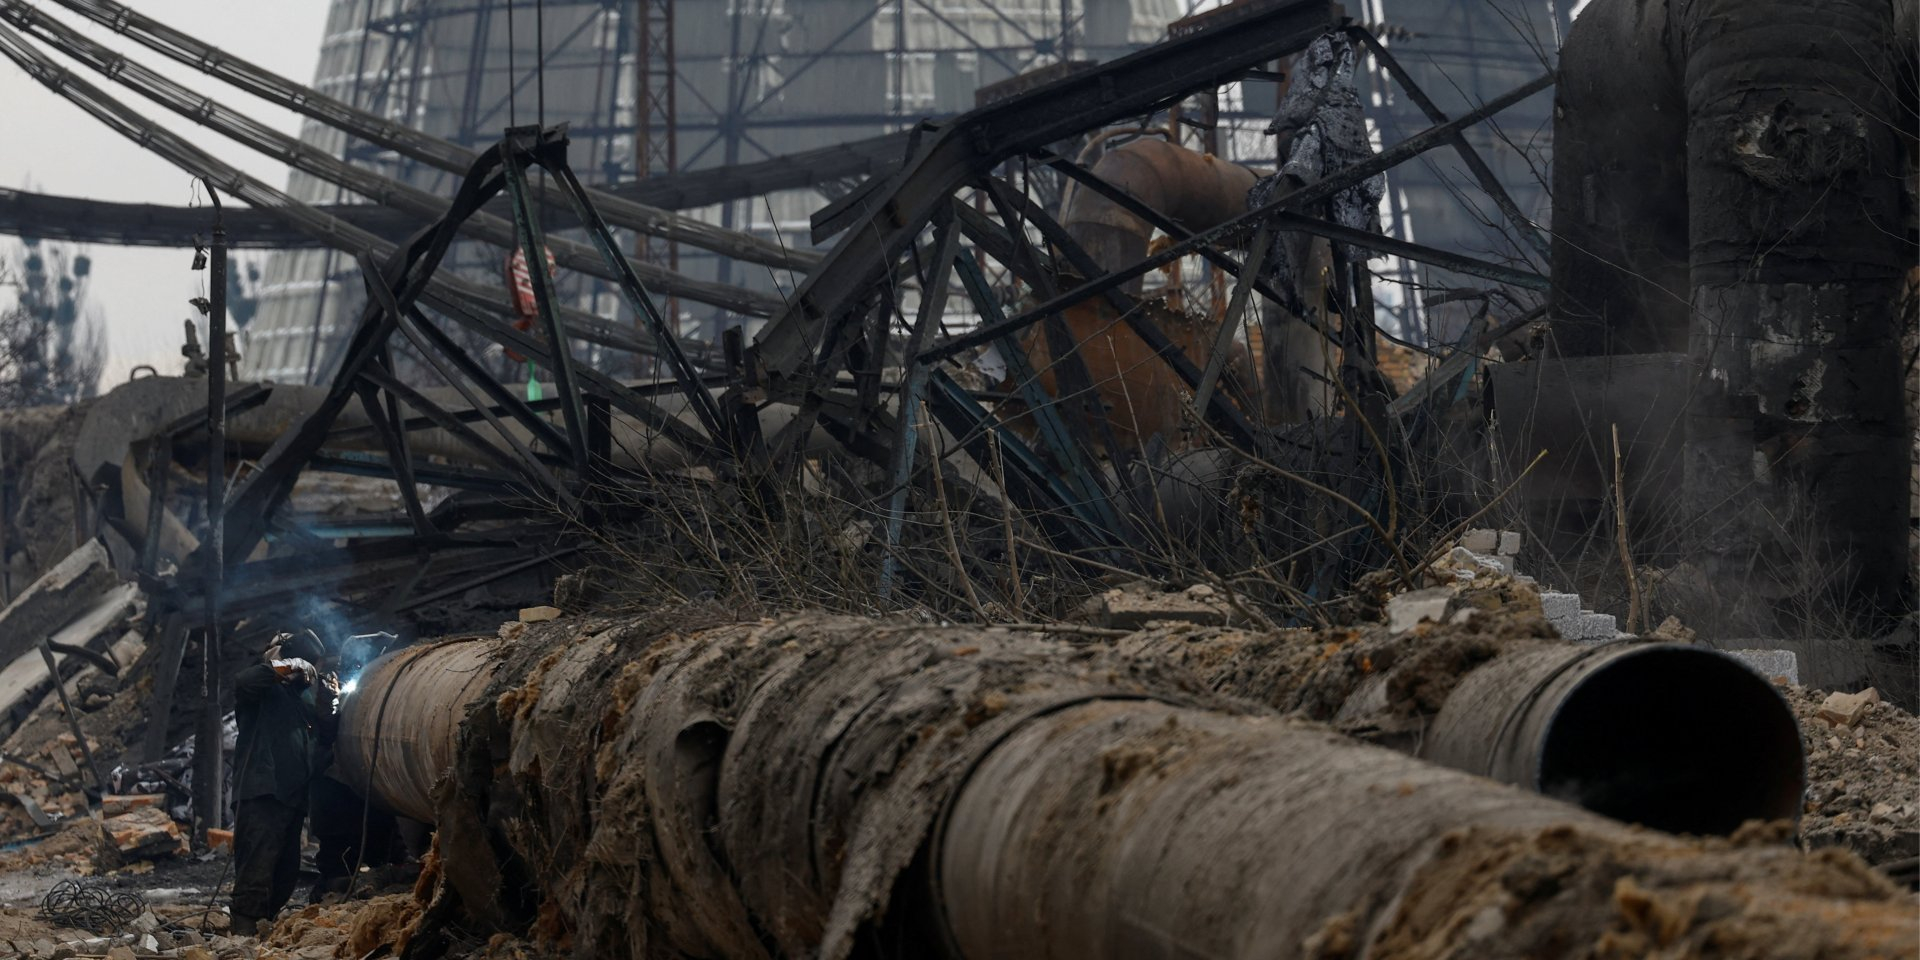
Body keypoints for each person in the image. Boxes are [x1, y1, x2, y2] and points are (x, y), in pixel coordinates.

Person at [229, 630, 338, 935]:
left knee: (286, 874)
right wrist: (287, 664)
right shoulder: (263, 692)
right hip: (262, 792)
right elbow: (244, 681)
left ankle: (263, 928)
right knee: (256, 872)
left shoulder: (300, 700)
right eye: (309, 667)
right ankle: (241, 939)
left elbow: (322, 740)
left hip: (291, 798)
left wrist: (328, 704)